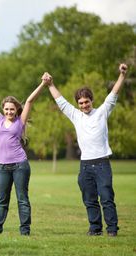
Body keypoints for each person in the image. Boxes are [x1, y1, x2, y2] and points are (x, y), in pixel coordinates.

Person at [44, 63, 128, 237]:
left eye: (86, 102)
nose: (83, 105)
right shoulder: (76, 116)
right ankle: (95, 228)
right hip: (85, 165)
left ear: (92, 101)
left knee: (106, 198)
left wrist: (122, 74)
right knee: (89, 200)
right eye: (81, 103)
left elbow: (114, 93)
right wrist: (50, 84)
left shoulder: (102, 112)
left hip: (102, 163)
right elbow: (61, 102)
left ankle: (112, 229)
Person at [0, 71, 45, 236]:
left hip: (20, 165)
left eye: (12, 109)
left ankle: (25, 230)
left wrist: (43, 83)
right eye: (7, 109)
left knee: (22, 199)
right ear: (3, 109)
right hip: (2, 167)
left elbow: (30, 100)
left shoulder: (21, 121)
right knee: (2, 200)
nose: (9, 112)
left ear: (16, 109)